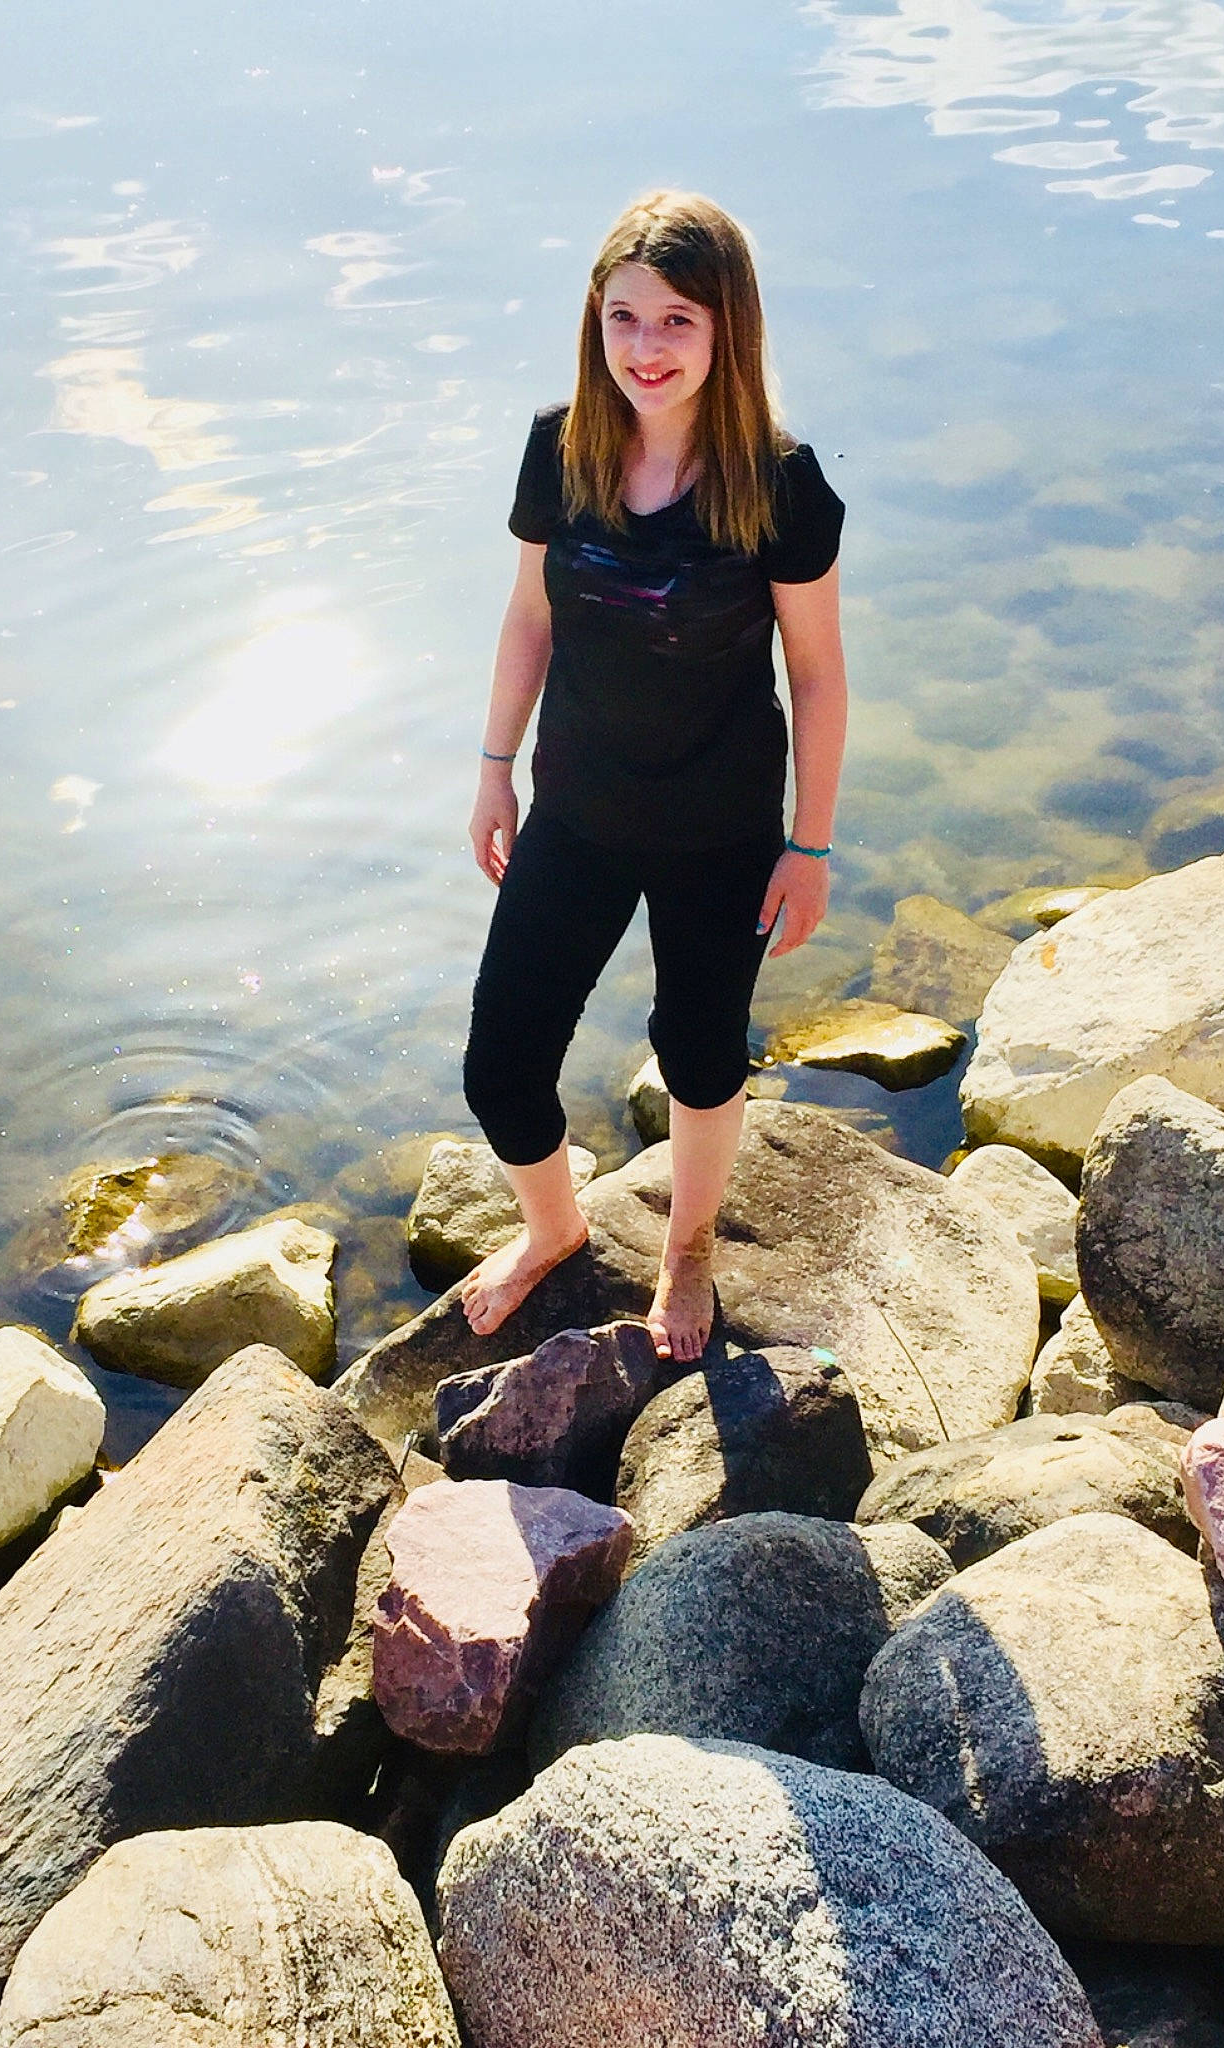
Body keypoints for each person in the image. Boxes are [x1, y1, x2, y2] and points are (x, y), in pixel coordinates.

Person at [460, 189, 848, 1365]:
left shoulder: (780, 483)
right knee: (501, 1063)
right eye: (624, 317)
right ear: (595, 321)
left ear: (728, 327)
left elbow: (819, 676)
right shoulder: (560, 446)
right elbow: (529, 618)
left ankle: (688, 1247)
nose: (646, 348)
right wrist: (492, 770)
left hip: (722, 827)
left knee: (700, 1048)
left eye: (677, 320)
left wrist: (811, 842)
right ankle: (555, 1229)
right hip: (575, 808)